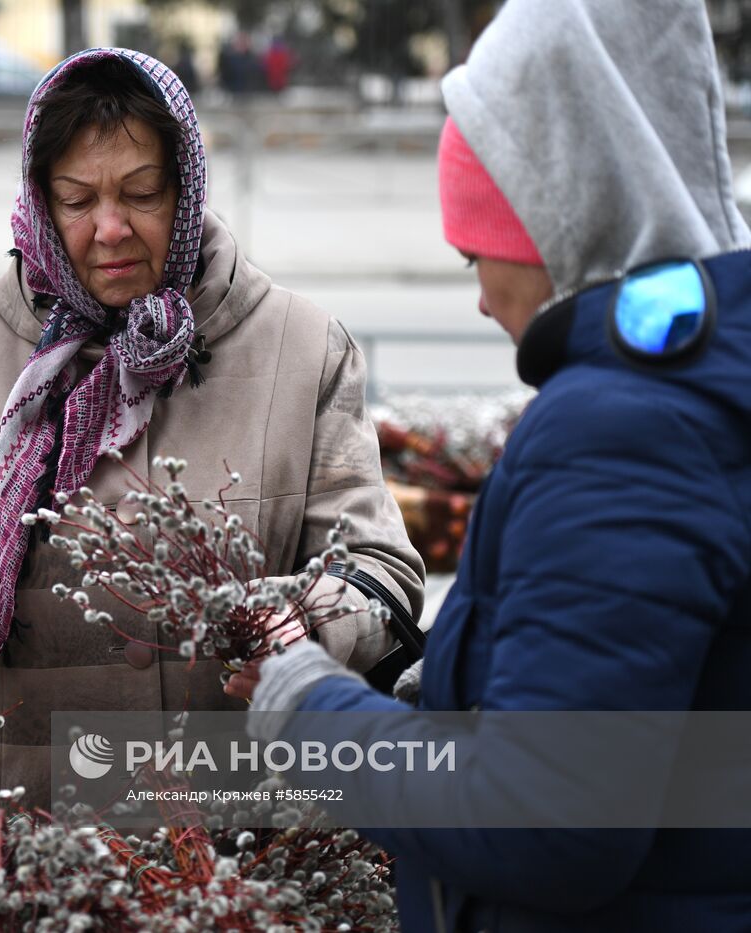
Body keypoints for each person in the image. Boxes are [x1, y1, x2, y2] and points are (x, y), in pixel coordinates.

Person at [231, 0, 751, 929]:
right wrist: (456, 695)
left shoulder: (622, 432)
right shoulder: (702, 381)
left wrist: (309, 709)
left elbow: (546, 823)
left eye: (476, 254)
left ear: (555, 224)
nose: (477, 299)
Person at [0, 48, 423, 818]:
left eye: (141, 193)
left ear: (186, 187)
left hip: (236, 838)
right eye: (76, 199)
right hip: (16, 839)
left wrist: (309, 622)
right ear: (40, 200)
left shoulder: (302, 349)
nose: (110, 228)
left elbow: (379, 573)